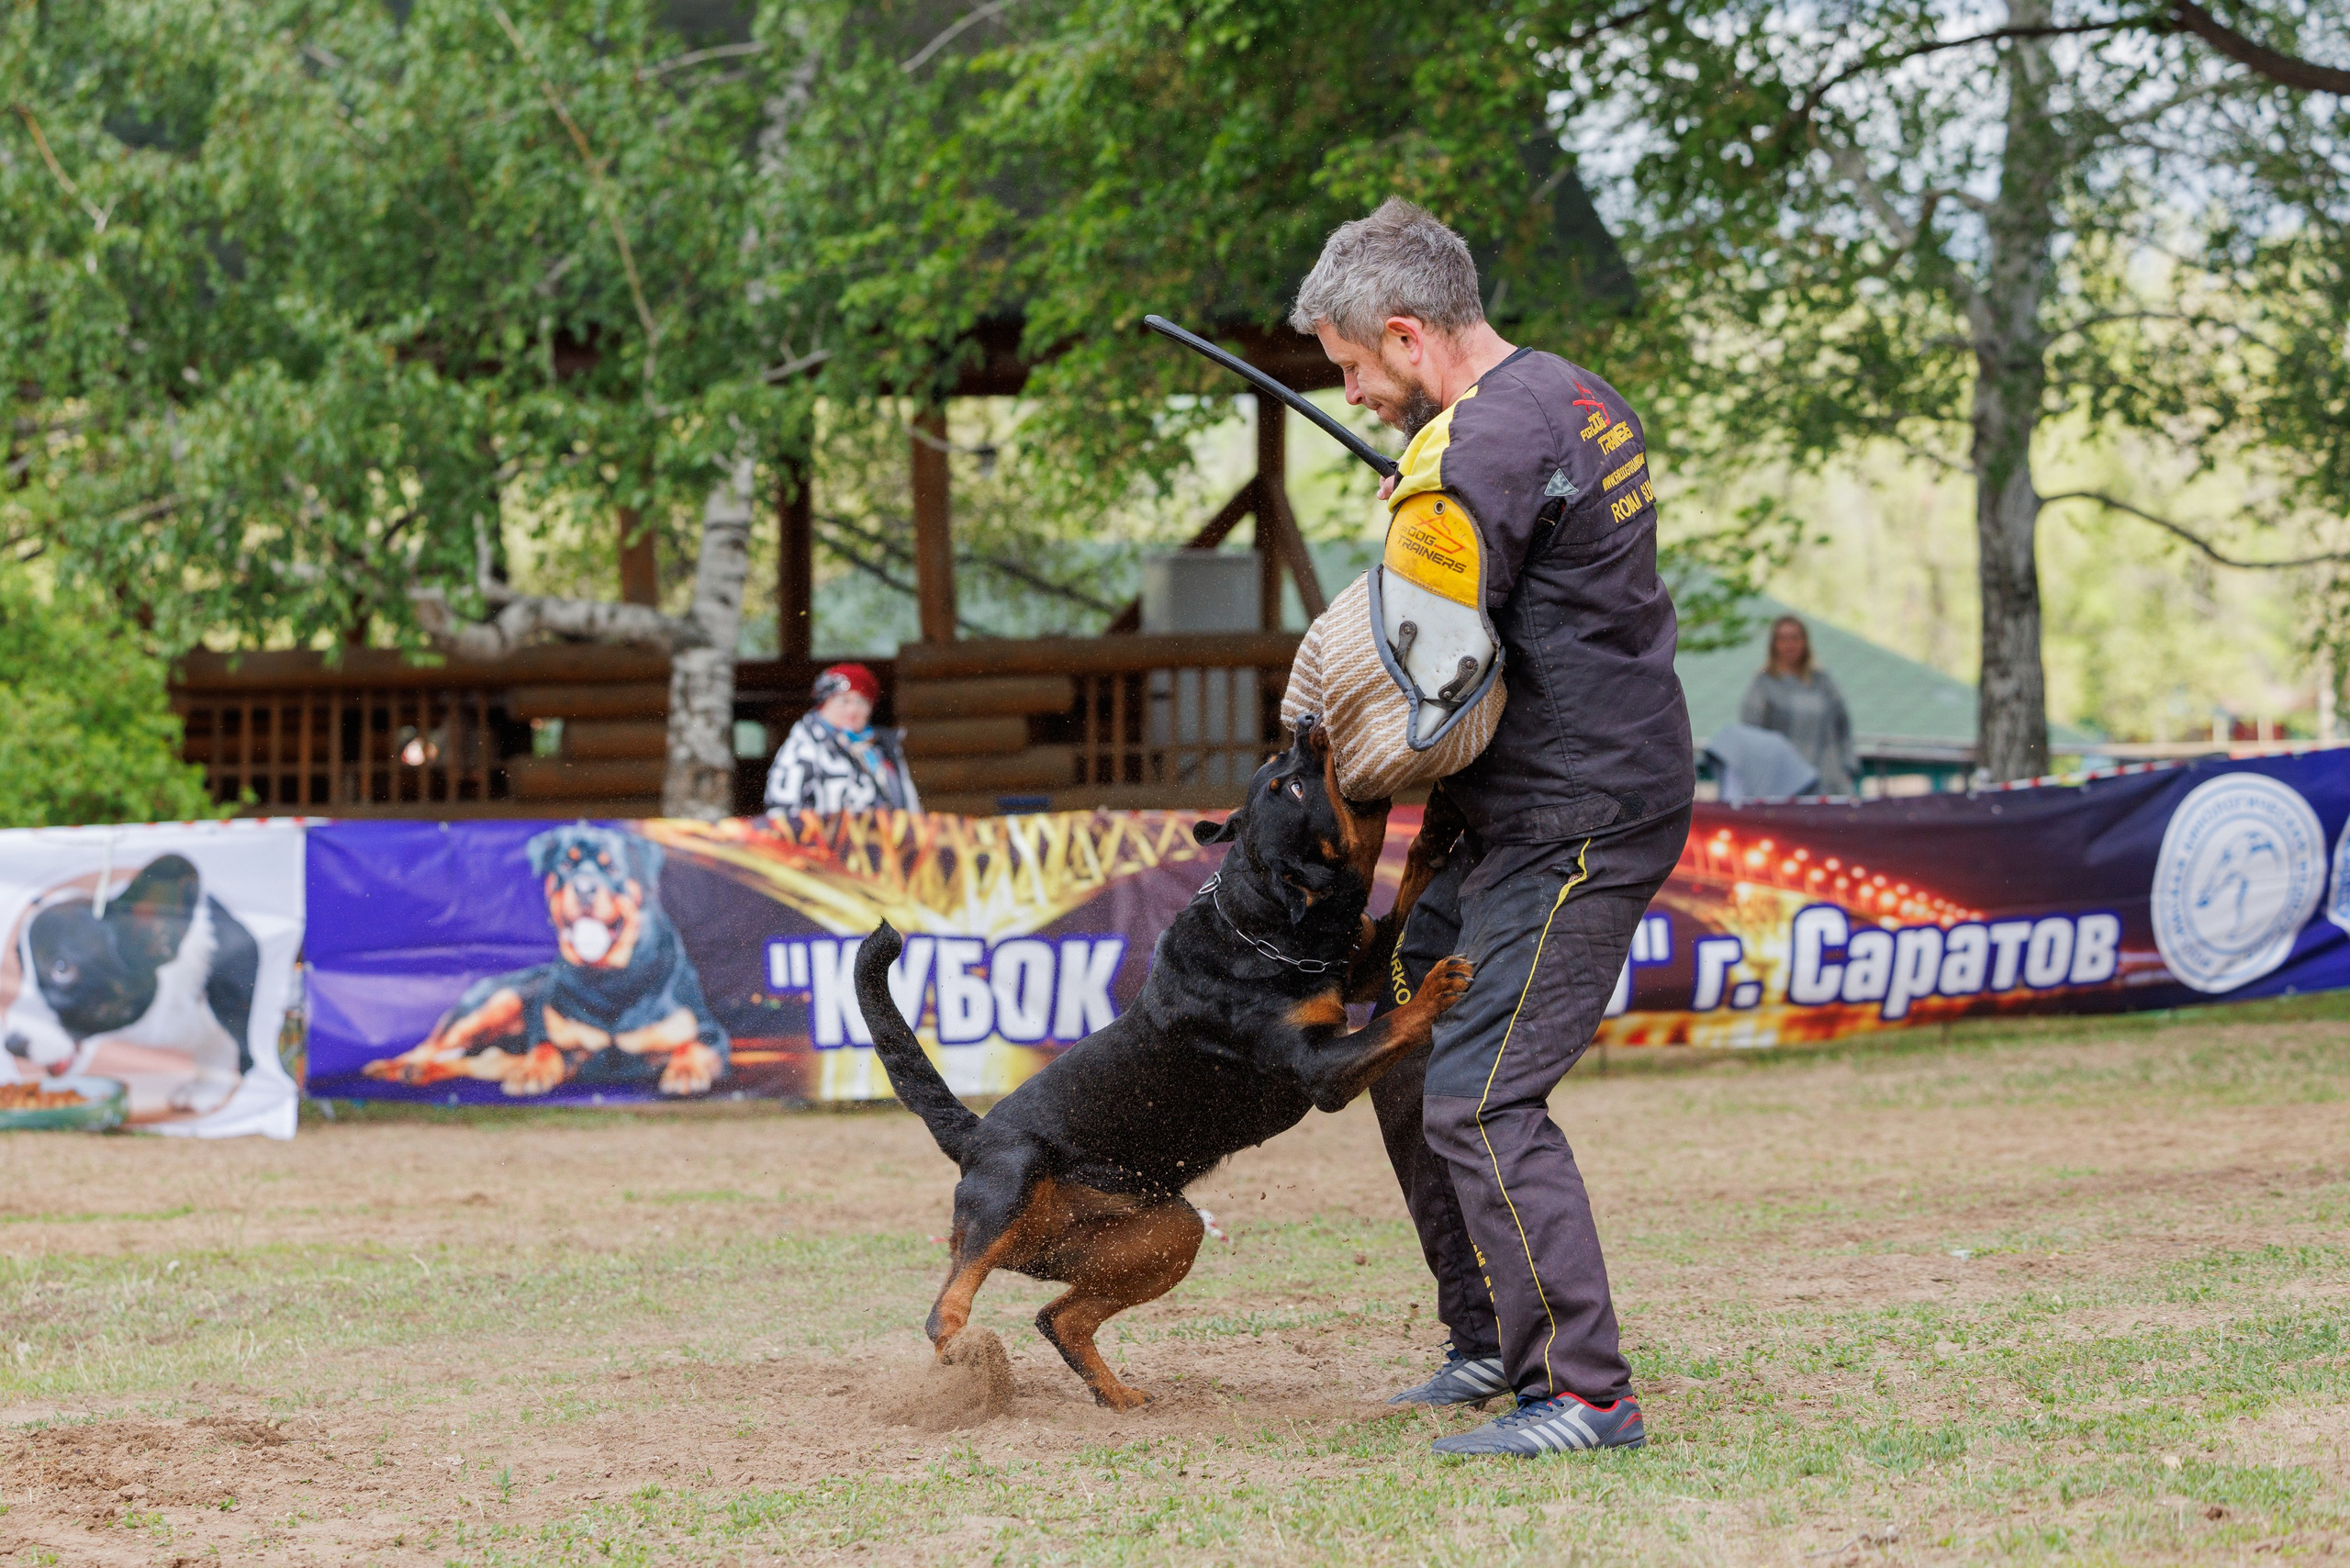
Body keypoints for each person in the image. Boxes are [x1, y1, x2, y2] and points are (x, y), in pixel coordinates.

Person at [1291, 199, 1694, 1457]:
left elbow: (1425, 688)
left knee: (1480, 1092)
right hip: (1520, 801)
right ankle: (1484, 1338)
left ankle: (1584, 1398)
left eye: (1354, 368)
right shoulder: (1568, 395)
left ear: (1406, 337)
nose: (1354, 394)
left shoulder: (1463, 464)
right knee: (1408, 1040)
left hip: (1581, 814)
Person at [764, 664, 922, 816]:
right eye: (843, 701)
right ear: (824, 703)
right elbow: (781, 814)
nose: (852, 709)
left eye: (861, 702)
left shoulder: (882, 748)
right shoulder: (804, 746)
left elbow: (910, 806)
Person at [1740, 615, 1857, 797]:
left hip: (1828, 780)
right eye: (1783, 639)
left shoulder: (1823, 682)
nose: (1789, 645)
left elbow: (1843, 727)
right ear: (1774, 645)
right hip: (1782, 784)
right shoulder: (1763, 684)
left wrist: (1848, 766)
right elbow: (1751, 734)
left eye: (1795, 638)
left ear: (1805, 642)